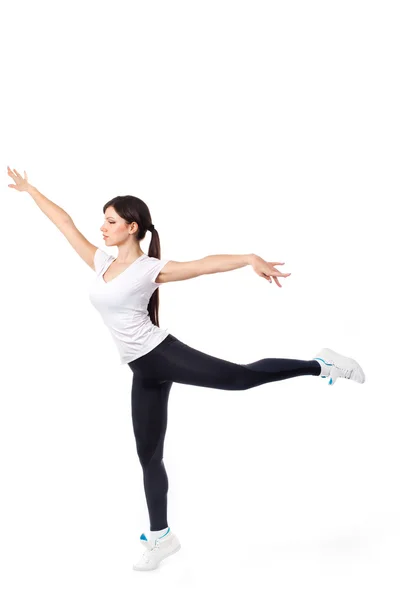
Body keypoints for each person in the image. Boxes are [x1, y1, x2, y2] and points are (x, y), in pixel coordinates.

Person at [7, 166, 366, 572]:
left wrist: (249, 258)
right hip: (143, 371)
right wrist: (30, 190)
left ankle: (321, 364)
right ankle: (161, 536)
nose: (102, 228)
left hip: (161, 354)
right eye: (103, 220)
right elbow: (65, 223)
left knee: (242, 378)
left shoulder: (150, 269)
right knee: (149, 456)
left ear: (132, 227)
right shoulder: (100, 262)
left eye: (110, 221)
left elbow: (204, 265)